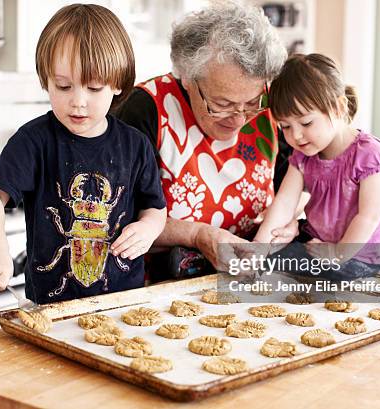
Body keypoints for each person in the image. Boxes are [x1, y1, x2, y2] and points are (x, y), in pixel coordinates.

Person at [0, 4, 167, 304]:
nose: (77, 101)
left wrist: (148, 228)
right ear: (45, 81)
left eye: (93, 87)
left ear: (116, 84)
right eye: (63, 86)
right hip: (50, 307)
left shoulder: (136, 144)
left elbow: (154, 208)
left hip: (123, 304)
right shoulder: (34, 141)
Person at [115, 2, 298, 276]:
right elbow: (118, 215)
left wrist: (293, 222)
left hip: (248, 277)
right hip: (159, 285)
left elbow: (299, 183)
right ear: (187, 77)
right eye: (221, 104)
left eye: (250, 103)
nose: (238, 118)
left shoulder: (272, 106)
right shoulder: (145, 110)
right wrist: (197, 235)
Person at [254, 53, 380, 278]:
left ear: (339, 107)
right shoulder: (303, 154)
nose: (297, 136)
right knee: (270, 257)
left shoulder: (369, 155)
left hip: (363, 254)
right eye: (286, 127)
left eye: (306, 123)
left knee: (324, 278)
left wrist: (337, 254)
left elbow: (368, 217)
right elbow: (284, 201)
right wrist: (258, 247)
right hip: (320, 242)